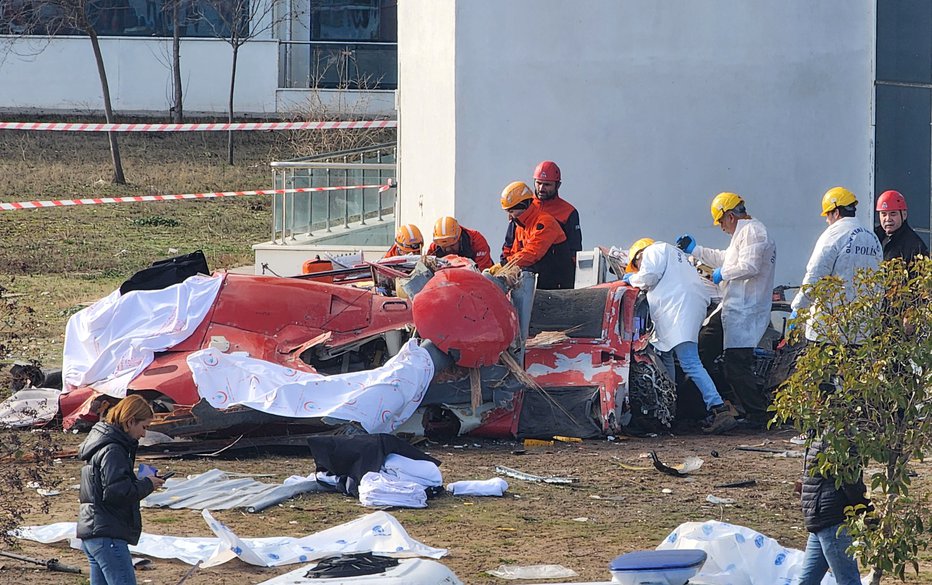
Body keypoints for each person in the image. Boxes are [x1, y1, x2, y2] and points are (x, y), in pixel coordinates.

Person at [676, 192, 776, 427]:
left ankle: (757, 416)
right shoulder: (745, 233)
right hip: (733, 307)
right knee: (703, 350)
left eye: (721, 222)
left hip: (745, 309)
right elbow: (727, 258)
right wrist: (696, 249)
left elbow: (748, 266)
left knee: (736, 365)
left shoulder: (753, 231)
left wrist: (722, 274)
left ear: (730, 216)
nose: (721, 227)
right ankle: (695, 408)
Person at [622, 238, 737, 434]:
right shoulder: (676, 256)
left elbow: (648, 278)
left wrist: (631, 279)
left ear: (639, 255)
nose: (639, 268)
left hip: (679, 310)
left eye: (637, 265)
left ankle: (718, 408)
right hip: (687, 307)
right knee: (666, 356)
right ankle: (669, 409)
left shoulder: (653, 251)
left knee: (690, 361)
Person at [77, 395, 164, 585]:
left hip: (93, 532)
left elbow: (108, 486)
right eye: (144, 427)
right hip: (108, 535)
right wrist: (148, 484)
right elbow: (117, 492)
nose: (144, 434)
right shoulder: (113, 450)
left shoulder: (100, 444)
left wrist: (137, 481)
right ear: (130, 421)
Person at [791, 187, 882, 343]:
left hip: (827, 331)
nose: (827, 220)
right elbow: (879, 283)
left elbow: (815, 276)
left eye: (827, 215)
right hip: (861, 332)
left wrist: (798, 309)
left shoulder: (832, 235)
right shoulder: (871, 238)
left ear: (836, 212)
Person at [797, 436, 870, 585]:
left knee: (808, 581)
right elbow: (851, 482)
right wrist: (868, 511)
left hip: (821, 517)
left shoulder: (826, 436)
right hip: (829, 519)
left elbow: (847, 481)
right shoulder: (838, 438)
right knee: (846, 580)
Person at [500, 160, 582, 288]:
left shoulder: (568, 212)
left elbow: (574, 251)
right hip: (527, 270)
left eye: (547, 185)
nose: (541, 188)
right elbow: (511, 242)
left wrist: (569, 279)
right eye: (538, 183)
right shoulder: (522, 205)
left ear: (557, 185)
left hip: (554, 276)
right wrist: (505, 264)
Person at [491, 181, 568, 289]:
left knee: (525, 274)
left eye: (511, 211)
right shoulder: (521, 225)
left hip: (555, 282)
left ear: (523, 206)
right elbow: (515, 251)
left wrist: (505, 264)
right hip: (540, 279)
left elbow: (532, 253)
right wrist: (503, 268)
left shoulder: (545, 222)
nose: (509, 215)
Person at [873, 189, 928, 263]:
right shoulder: (873, 237)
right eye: (884, 214)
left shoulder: (915, 247)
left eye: (893, 214)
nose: (888, 219)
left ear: (904, 215)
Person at [427, 216, 493, 270]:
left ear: (460, 238)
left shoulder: (475, 240)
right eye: (444, 247)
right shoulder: (434, 248)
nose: (448, 250)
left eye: (452, 245)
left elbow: (483, 270)